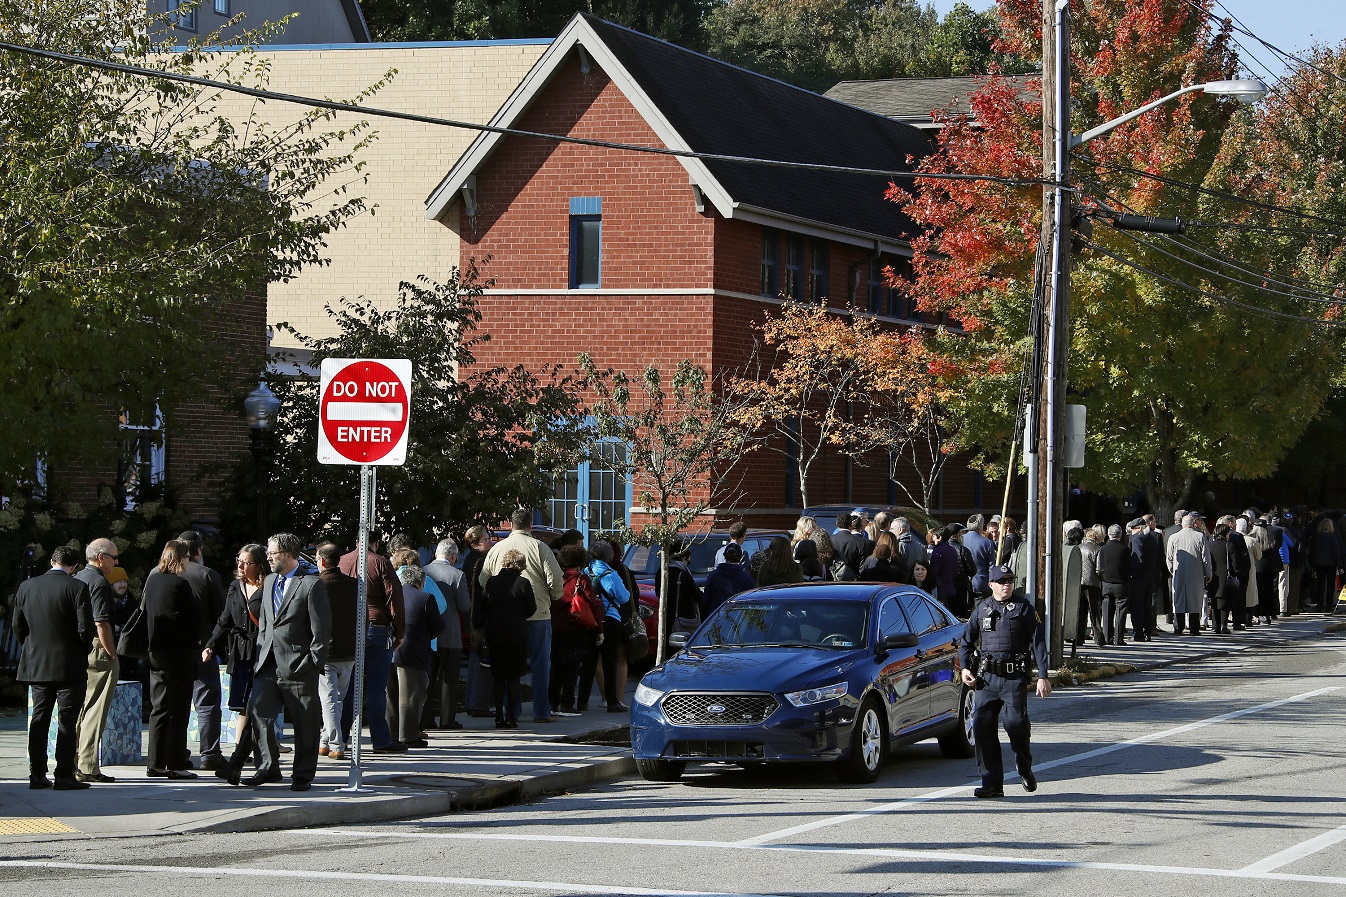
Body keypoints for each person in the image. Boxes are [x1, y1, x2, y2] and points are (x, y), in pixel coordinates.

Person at [241, 533, 331, 791]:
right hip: (268, 663)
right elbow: (266, 625)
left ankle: (303, 774)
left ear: (289, 555)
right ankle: (267, 767)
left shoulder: (311, 584)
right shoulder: (269, 581)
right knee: (259, 713)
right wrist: (260, 654)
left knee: (305, 723)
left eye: (273, 554)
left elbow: (322, 630)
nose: (268, 557)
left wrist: (313, 662)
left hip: (299, 665)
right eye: (268, 553)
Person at [958, 564, 1051, 799]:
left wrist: (1042, 676)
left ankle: (1024, 763)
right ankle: (991, 783)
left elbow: (1038, 643)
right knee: (982, 728)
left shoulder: (1024, 608)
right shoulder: (981, 609)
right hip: (986, 679)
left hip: (1013, 678)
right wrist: (965, 668)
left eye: (1009, 580)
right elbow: (967, 642)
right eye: (1001, 581)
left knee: (1015, 724)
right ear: (991, 585)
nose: (1006, 584)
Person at [15, 545, 95, 790]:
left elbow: (18, 626)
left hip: (37, 663)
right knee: (67, 721)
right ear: (75, 567)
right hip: (69, 665)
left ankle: (37, 774)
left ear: (52, 561)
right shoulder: (77, 588)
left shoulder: (26, 587)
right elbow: (85, 629)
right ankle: (64, 774)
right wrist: (83, 650)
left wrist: (31, 648)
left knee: (39, 718)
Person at [480, 509, 565, 723]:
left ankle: (511, 711)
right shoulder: (540, 548)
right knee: (540, 665)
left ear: (511, 526)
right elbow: (555, 579)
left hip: (506, 618)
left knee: (509, 667)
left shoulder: (497, 548)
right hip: (538, 613)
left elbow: (484, 579)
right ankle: (541, 711)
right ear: (530, 526)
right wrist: (553, 596)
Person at [340, 534, 405, 753]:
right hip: (377, 628)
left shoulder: (342, 561)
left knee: (348, 687)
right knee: (377, 688)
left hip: (349, 629)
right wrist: (399, 632)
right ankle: (381, 740)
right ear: (376, 543)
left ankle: (339, 738)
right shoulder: (380, 562)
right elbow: (394, 599)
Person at [143, 539, 201, 780]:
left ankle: (155, 763)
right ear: (180, 559)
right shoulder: (180, 584)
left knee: (159, 708)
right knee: (178, 709)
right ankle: (176, 764)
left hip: (155, 652)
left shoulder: (153, 580)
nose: (189, 561)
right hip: (178, 654)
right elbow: (194, 620)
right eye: (187, 557)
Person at [208, 544, 266, 780]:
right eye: (239, 560)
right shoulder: (235, 586)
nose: (240, 566)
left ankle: (248, 759)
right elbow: (225, 619)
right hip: (241, 652)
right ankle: (243, 757)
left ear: (259, 565)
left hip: (263, 651)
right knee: (243, 705)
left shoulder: (270, 586)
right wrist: (211, 644)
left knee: (258, 705)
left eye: (246, 562)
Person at [173, 530, 228, 771]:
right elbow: (222, 615)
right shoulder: (207, 575)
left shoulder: (158, 574)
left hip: (172, 651)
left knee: (174, 703)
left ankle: (174, 752)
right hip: (203, 648)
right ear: (198, 551)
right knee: (206, 703)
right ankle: (209, 753)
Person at [73, 537, 120, 783]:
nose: (116, 561)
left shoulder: (78, 578)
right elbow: (101, 622)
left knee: (80, 706)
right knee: (96, 708)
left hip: (78, 649)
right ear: (101, 557)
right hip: (97, 648)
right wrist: (111, 652)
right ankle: (88, 766)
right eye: (113, 557)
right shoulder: (99, 582)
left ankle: (73, 761)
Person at [476, 549, 535, 729]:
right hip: (517, 635)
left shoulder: (492, 582)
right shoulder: (523, 583)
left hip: (496, 634)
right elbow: (531, 608)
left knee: (499, 677)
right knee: (514, 677)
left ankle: (499, 715)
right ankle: (511, 716)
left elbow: (483, 605)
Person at [390, 565, 443, 748]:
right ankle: (408, 735)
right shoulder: (425, 597)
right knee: (412, 695)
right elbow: (438, 626)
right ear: (421, 582)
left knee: (392, 696)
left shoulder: (392, 595)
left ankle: (392, 734)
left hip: (389, 650)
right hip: (413, 652)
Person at [315, 543, 359, 761]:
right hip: (350, 649)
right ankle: (325, 741)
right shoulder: (354, 585)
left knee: (329, 699)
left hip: (327, 651)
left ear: (322, 561)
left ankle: (335, 744)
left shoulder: (317, 584)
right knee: (336, 699)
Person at [423, 538, 471, 730]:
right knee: (448, 679)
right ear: (453, 556)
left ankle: (424, 718)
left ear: (436, 553)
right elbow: (465, 605)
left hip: (427, 634)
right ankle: (447, 719)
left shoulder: (423, 571)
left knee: (427, 678)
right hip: (449, 633)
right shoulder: (457, 575)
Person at [581, 541, 631, 712]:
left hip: (589, 621)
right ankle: (612, 701)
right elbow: (624, 597)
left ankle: (582, 701)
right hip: (610, 620)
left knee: (589, 663)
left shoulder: (585, 572)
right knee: (610, 662)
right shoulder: (611, 575)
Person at [554, 544, 602, 716]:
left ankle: (552, 702)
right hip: (575, 626)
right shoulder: (581, 578)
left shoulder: (556, 576)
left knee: (556, 666)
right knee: (573, 666)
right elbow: (592, 603)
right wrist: (599, 628)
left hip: (555, 625)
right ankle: (567, 703)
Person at [460, 526, 495, 717]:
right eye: (485, 540)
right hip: (481, 616)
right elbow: (485, 591)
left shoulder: (469, 561)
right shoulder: (481, 562)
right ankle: (478, 704)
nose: (489, 542)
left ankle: (472, 702)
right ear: (474, 544)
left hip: (472, 615)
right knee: (483, 661)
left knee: (476, 659)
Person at [1167, 513, 1213, 636]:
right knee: (1195, 600)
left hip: (1179, 572)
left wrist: (1172, 570)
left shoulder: (1173, 537)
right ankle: (1194, 628)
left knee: (1179, 600)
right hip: (1196, 573)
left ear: (1182, 524)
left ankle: (1178, 626)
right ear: (1193, 524)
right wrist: (1208, 573)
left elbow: (1169, 558)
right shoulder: (1200, 537)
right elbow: (1205, 558)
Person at [1094, 524, 1131, 646]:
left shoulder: (1103, 549)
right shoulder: (1125, 549)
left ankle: (1107, 637)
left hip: (1106, 583)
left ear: (1108, 535)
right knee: (1121, 611)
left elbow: (1100, 567)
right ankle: (1118, 638)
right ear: (1120, 535)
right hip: (1121, 583)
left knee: (1107, 611)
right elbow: (1128, 566)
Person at [703, 543, 756, 616]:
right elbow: (752, 602)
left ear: (725, 556)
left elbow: (706, 600)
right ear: (740, 557)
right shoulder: (746, 578)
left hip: (716, 618)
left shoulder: (714, 576)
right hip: (738, 618)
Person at [1126, 518, 1156, 642]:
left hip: (1138, 578)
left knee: (1137, 606)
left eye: (1132, 529)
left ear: (1138, 528)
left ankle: (1138, 632)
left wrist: (1132, 574)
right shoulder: (1152, 539)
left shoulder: (1137, 539)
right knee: (1147, 605)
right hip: (1150, 577)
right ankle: (1148, 631)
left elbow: (1137, 559)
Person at [1079, 525, 1105, 647]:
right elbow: (1099, 569)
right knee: (1094, 612)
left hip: (1080, 582)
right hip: (1092, 583)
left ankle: (1079, 637)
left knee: (1081, 611)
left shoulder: (1078, 548)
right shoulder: (1097, 549)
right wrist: (1101, 579)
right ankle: (1099, 637)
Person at [1208, 520, 1236, 635]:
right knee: (1225, 602)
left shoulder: (1210, 545)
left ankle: (1215, 625)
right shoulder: (1229, 545)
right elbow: (1234, 563)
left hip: (1214, 575)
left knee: (1214, 601)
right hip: (1225, 575)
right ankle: (1224, 626)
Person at [962, 515, 998, 601]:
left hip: (963, 584)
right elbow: (991, 567)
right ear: (981, 526)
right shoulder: (988, 543)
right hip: (982, 585)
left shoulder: (960, 540)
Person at [929, 526, 961, 614]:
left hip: (939, 591)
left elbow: (933, 572)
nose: (933, 539)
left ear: (939, 537)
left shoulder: (937, 552)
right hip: (951, 588)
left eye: (934, 536)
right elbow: (955, 571)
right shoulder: (953, 550)